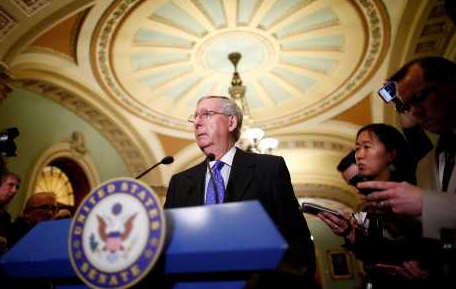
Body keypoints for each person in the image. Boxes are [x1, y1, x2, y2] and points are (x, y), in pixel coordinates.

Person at [164, 95, 315, 288]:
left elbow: (296, 240)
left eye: (206, 114)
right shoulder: (180, 183)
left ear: (231, 122)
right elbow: (167, 246)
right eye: (195, 117)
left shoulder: (269, 169)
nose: (198, 122)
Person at [319, 124, 436, 288]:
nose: (359, 155)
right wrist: (349, 231)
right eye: (357, 148)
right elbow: (378, 254)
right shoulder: (369, 210)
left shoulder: (417, 185)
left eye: (367, 147)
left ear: (391, 154)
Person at [358, 57, 456, 240]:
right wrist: (396, 219)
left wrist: (425, 202)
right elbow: (437, 231)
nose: (416, 112)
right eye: (407, 105)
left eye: (419, 97)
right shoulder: (426, 164)